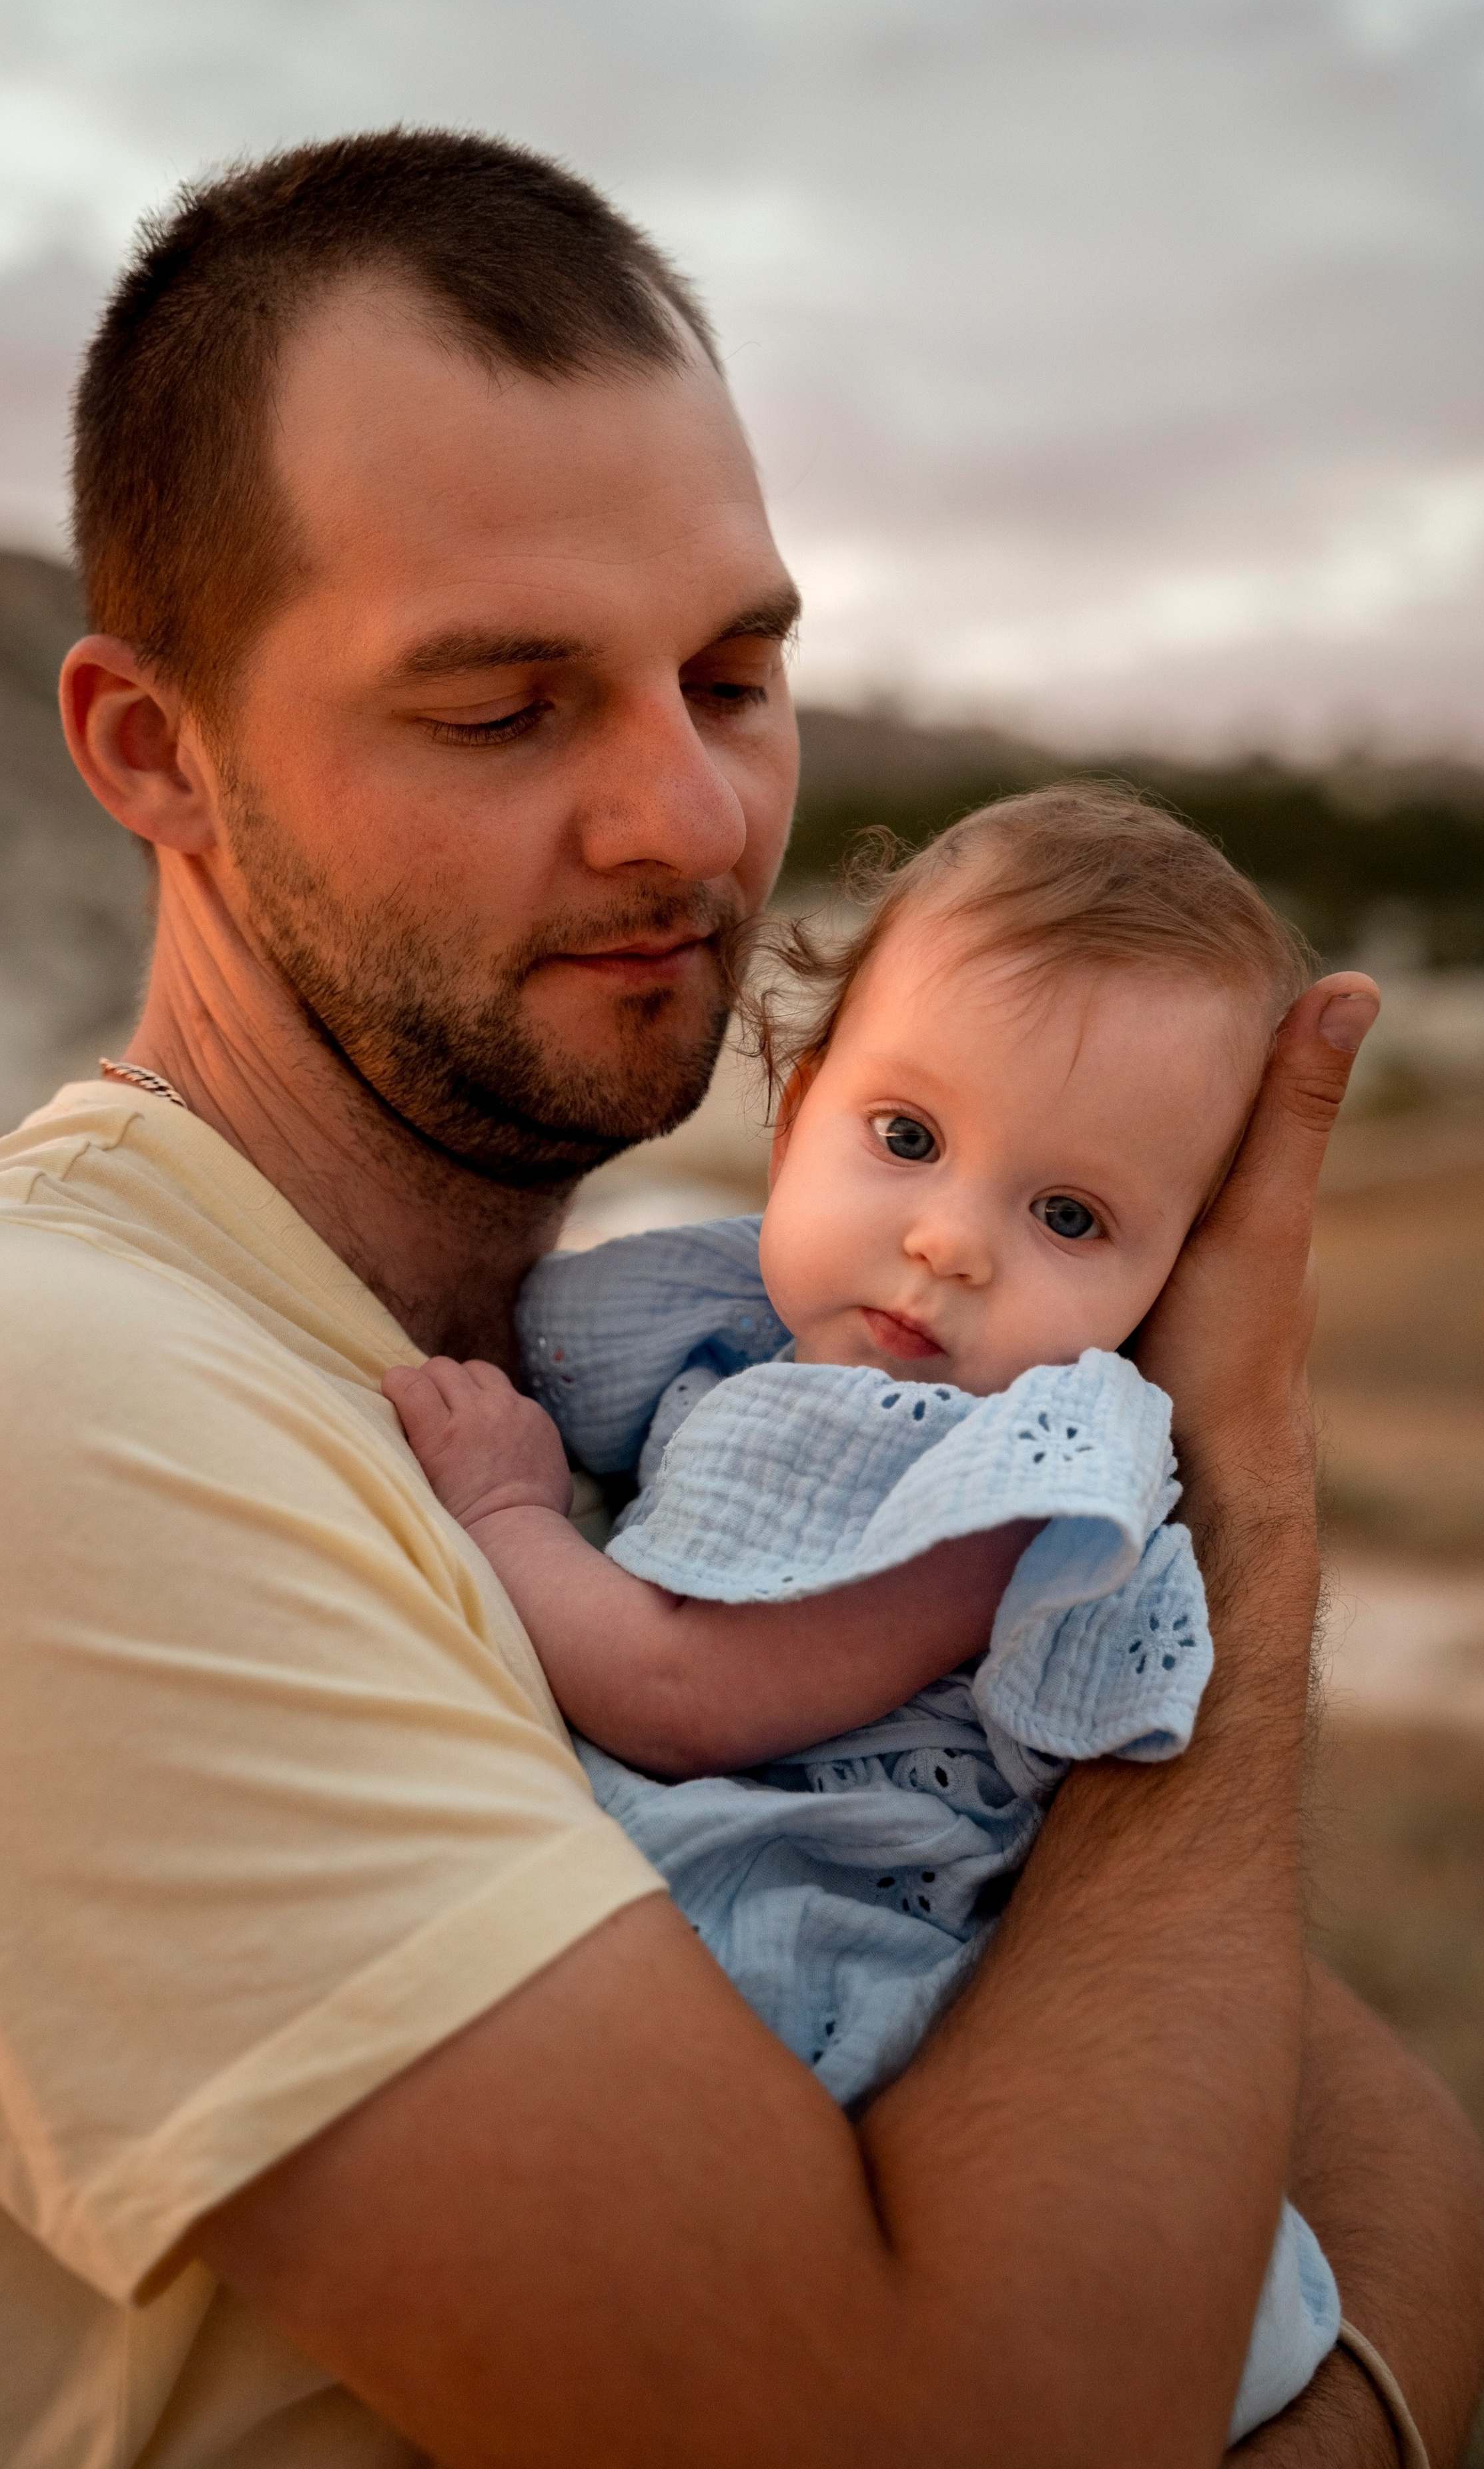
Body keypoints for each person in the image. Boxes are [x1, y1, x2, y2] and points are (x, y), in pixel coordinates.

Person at [0, 129, 1484, 2468]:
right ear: (151, 751)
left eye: (733, 671)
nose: (687, 816)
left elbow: (1330, 2122)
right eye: (505, 707)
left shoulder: (679, 1375)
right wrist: (1245, 1489)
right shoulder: (48, 1396)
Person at [386, 784, 1355, 2446]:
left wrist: (504, 1520)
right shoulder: (740, 1327)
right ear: (793, 1111)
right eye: (905, 1138)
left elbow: (687, 1694)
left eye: (1070, 1217)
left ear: (1173, 1278)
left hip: (831, 1934)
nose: (944, 1242)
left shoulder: (1007, 1474)